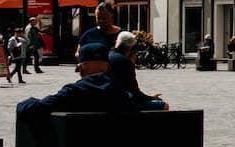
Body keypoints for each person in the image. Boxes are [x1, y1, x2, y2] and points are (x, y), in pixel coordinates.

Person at [16, 37, 167, 118]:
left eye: (79, 64)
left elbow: (32, 108)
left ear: (83, 66)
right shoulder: (120, 92)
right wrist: (158, 104)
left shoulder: (74, 91)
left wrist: (27, 101)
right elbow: (140, 106)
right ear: (107, 66)